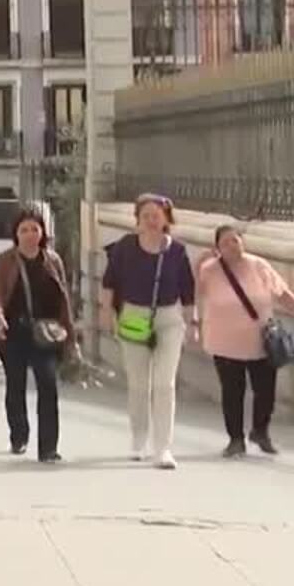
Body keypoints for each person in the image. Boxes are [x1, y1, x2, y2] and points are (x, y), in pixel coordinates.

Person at [102, 194, 196, 470]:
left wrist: (192, 323)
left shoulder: (177, 251)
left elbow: (187, 290)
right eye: (146, 216)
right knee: (139, 383)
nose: (152, 221)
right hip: (134, 315)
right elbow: (109, 281)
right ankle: (138, 439)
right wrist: (106, 312)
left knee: (164, 385)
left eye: (157, 215)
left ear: (167, 219)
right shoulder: (125, 247)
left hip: (168, 317)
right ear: (137, 220)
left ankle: (163, 448)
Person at [196, 225, 294, 457]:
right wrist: (199, 261)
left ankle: (260, 431)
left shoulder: (258, 265)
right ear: (217, 247)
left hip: (260, 341)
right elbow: (192, 290)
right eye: (226, 242)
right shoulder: (209, 270)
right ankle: (235, 439)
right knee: (232, 392)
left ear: (243, 242)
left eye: (236, 240)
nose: (232, 246)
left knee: (265, 391)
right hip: (224, 342)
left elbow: (282, 293)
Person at [0, 206, 73, 463]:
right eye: (23, 229)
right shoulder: (5, 261)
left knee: (48, 385)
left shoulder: (53, 260)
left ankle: (48, 448)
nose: (29, 234)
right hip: (13, 333)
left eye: (34, 229)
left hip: (46, 334)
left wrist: (70, 334)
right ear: (16, 234)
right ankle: (19, 434)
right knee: (16, 386)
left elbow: (64, 299)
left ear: (42, 232)